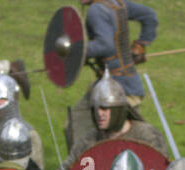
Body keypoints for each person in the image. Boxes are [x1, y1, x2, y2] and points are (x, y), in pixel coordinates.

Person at [63, 0, 158, 149]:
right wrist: (141, 45)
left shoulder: (96, 10)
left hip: (118, 90)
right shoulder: (116, 3)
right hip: (121, 83)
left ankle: (82, 167)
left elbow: (105, 45)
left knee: (117, 140)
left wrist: (77, 51)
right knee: (77, 123)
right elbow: (149, 16)